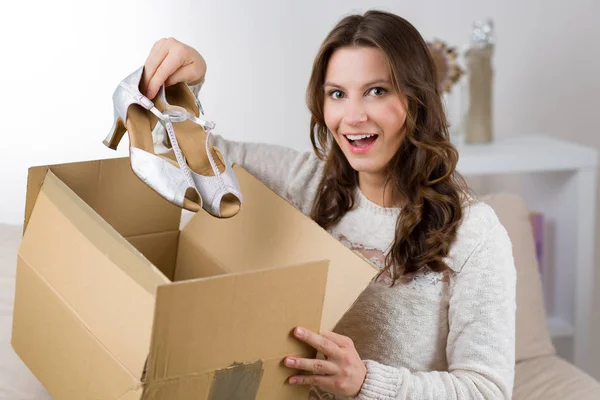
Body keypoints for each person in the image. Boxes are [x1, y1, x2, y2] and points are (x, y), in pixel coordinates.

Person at [141, 9, 516, 400]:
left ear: (417, 99)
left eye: (377, 91)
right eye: (337, 94)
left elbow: (486, 391)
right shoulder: (305, 182)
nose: (352, 117)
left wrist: (364, 383)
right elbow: (182, 154)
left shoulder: (474, 233)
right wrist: (187, 85)